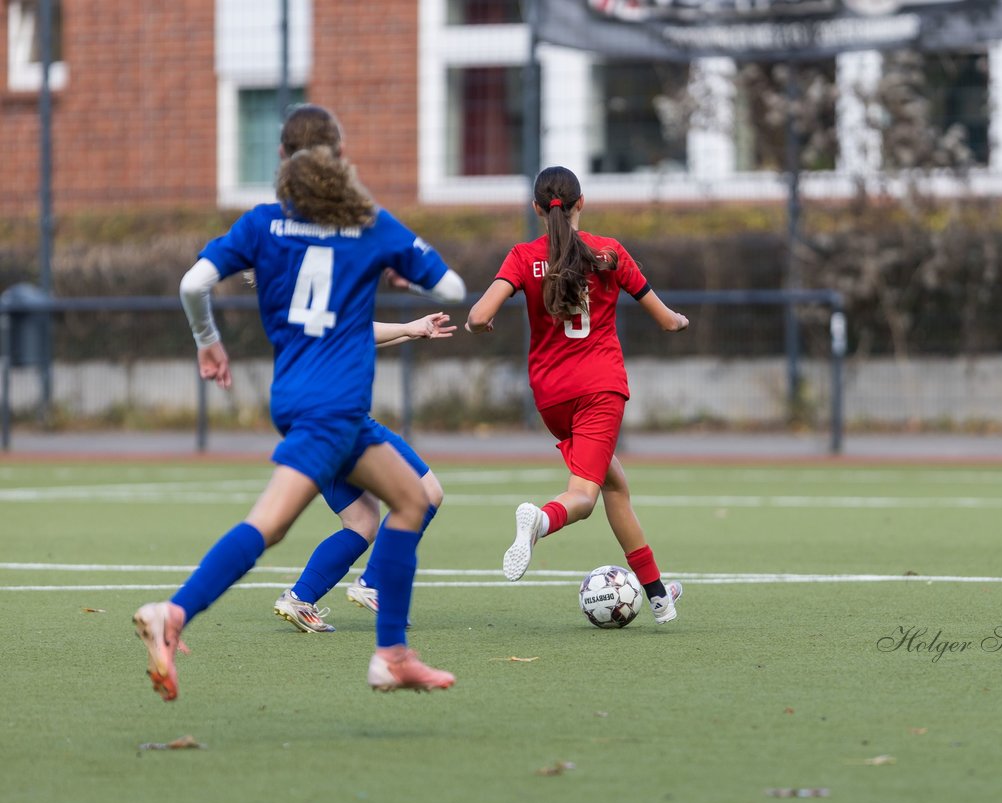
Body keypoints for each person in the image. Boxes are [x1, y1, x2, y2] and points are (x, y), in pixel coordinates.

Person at [133, 104, 459, 700]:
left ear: (281, 159)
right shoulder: (366, 228)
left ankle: (389, 651)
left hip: (308, 406)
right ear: (340, 158)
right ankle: (174, 614)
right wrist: (400, 271)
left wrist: (209, 344)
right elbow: (454, 288)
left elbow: (192, 284)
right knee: (273, 523)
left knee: (413, 498)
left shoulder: (264, 227)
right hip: (332, 412)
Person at [465, 165, 689, 623]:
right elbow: (666, 320)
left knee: (615, 485)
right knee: (584, 496)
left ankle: (659, 596)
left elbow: (477, 315)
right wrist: (681, 321)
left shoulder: (523, 256)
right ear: (581, 203)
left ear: (536, 209)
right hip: (599, 389)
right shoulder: (608, 253)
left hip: (550, 396)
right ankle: (540, 521)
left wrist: (481, 321)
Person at [272, 311, 455, 633]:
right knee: (428, 492)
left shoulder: (285, 300)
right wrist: (407, 326)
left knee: (361, 522)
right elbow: (352, 328)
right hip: (343, 421)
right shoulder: (308, 285)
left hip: (312, 425)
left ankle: (300, 597)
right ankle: (374, 582)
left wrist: (411, 332)